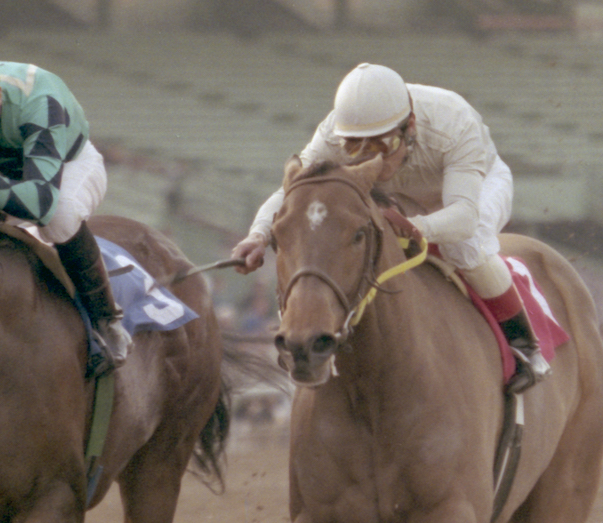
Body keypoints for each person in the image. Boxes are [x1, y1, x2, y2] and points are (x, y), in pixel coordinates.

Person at [231, 62, 550, 392]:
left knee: (464, 245)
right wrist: (258, 234)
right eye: (355, 148)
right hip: (401, 196)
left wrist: (414, 228)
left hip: (475, 187)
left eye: (381, 146)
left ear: (409, 125)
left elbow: (464, 215)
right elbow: (291, 193)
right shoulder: (333, 133)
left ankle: (525, 345)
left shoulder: (453, 121)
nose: (372, 159)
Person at [0, 39, 130, 373]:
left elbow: (41, 204)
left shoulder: (39, 101)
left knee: (59, 218)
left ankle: (106, 317)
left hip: (67, 166)